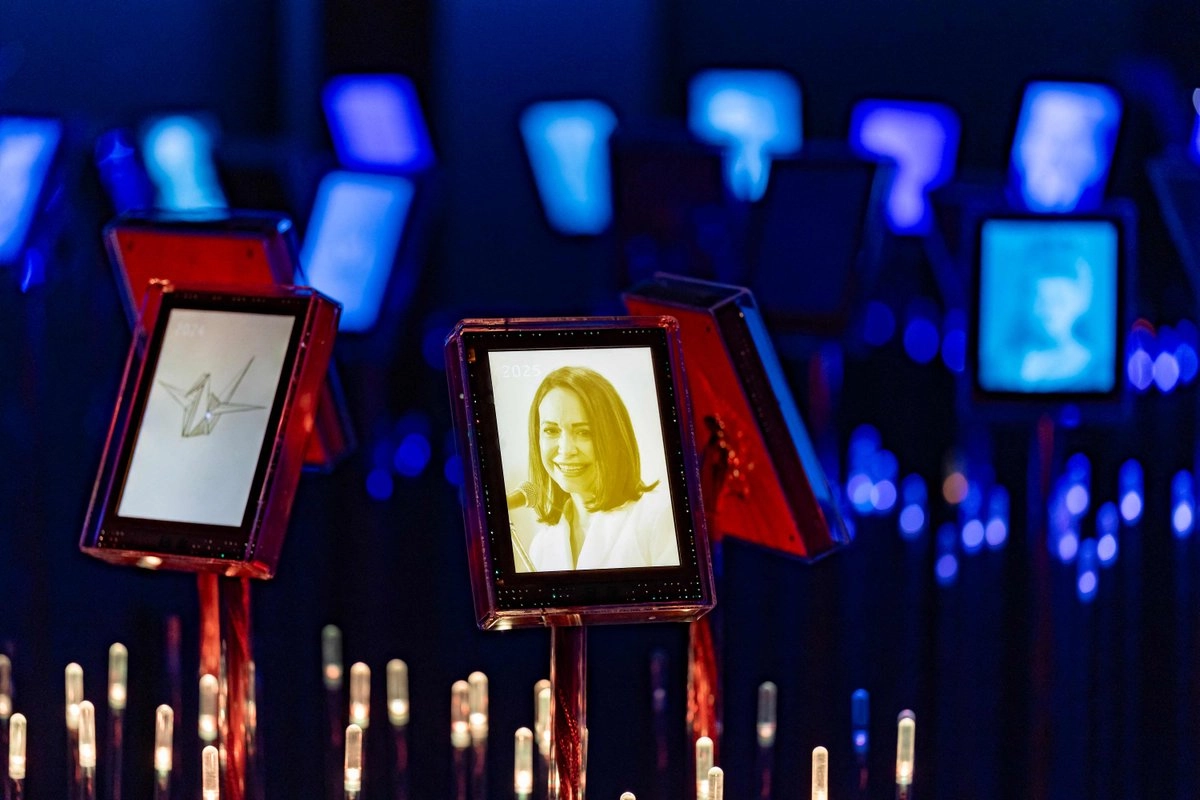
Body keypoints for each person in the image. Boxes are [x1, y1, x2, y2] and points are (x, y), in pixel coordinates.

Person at [515, 365, 679, 572]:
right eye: (551, 430)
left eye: (584, 432)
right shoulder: (541, 546)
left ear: (614, 438)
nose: (566, 450)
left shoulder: (660, 516)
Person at [1019, 243, 1094, 387]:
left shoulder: (1095, 368)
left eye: (1058, 300)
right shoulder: (1005, 363)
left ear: (1081, 302)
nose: (1047, 310)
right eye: (1040, 299)